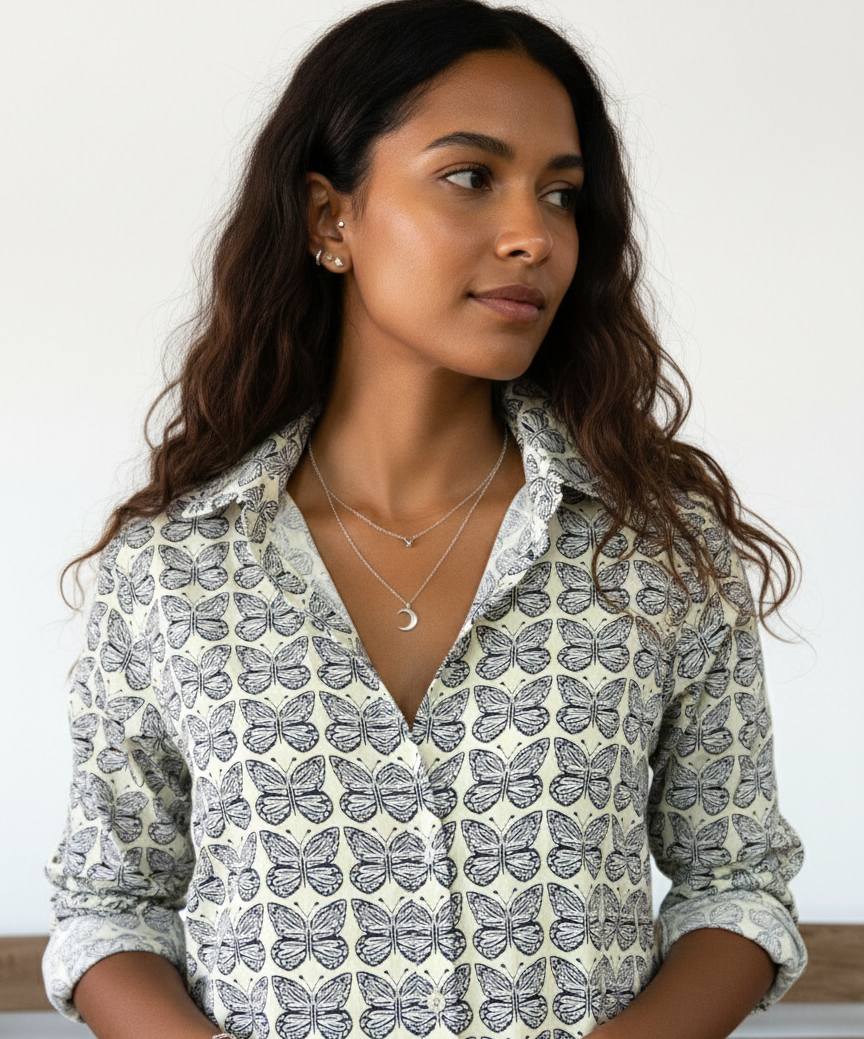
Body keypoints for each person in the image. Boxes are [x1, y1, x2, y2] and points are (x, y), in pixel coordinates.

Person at [42, 1, 807, 1037]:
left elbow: (737, 886)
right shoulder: (172, 570)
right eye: (470, 176)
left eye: (561, 194)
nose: (533, 235)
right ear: (331, 220)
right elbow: (109, 907)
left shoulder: (655, 553)